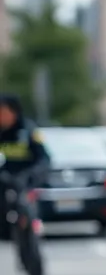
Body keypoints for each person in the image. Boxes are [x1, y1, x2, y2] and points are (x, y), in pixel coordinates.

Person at [0, 94, 49, 239]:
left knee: (27, 202)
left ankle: (33, 222)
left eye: (4, 113)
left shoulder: (29, 130)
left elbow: (43, 157)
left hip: (28, 175)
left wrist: (33, 174)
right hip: (6, 175)